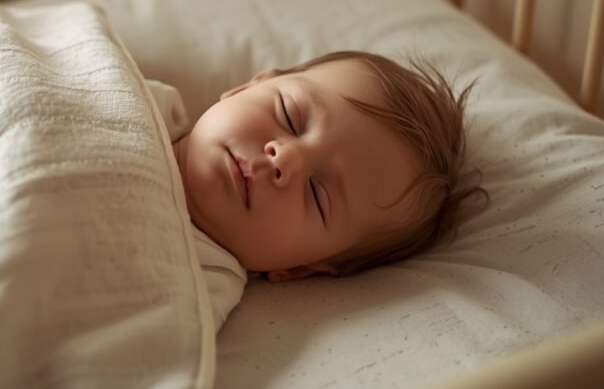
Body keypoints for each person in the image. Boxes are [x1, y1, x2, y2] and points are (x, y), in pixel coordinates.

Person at [155, 50, 485, 327]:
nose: (285, 158)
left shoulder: (201, 292)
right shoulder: (140, 97)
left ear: (299, 268)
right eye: (289, 116)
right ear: (246, 87)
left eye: (316, 195)